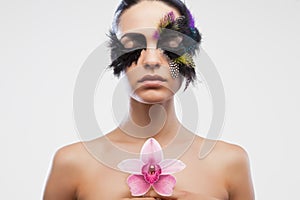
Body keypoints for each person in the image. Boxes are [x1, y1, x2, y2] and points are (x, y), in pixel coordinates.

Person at [43, 0, 255, 199]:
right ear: (116, 56)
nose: (152, 60)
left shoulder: (229, 163)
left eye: (170, 43)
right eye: (133, 45)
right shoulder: (72, 164)